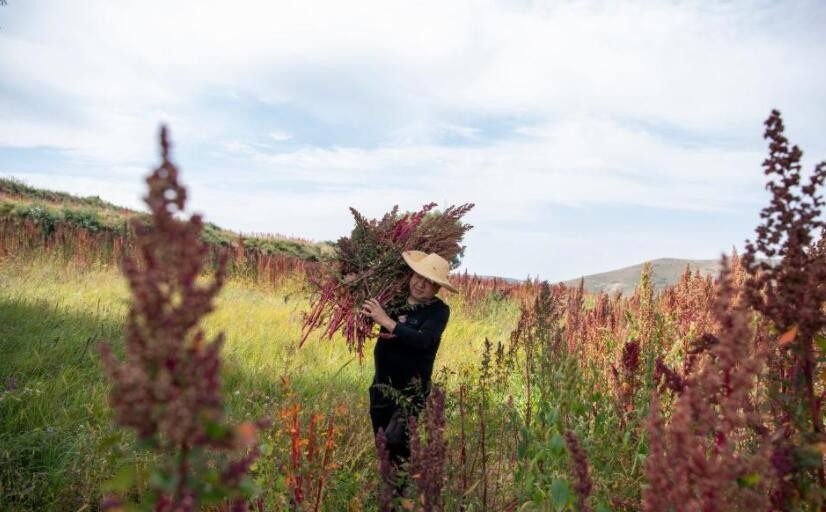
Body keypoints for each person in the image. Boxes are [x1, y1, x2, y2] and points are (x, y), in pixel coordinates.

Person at [359, 250, 456, 465]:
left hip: (410, 393)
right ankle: (389, 491)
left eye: (429, 282)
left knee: (398, 444)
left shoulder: (438, 311)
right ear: (411, 275)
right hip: (381, 386)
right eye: (418, 276)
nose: (420, 284)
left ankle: (401, 494)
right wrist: (354, 283)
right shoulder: (393, 299)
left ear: (437, 288)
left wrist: (387, 320)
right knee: (383, 444)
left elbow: (422, 340)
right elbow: (365, 312)